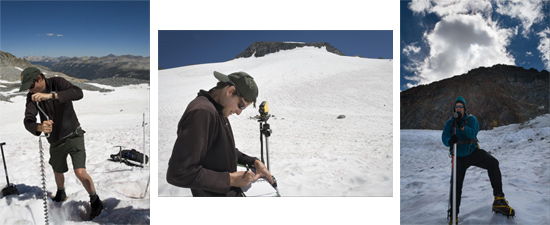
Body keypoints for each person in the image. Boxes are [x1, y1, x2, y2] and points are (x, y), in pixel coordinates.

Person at [166, 71, 273, 197]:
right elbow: (179, 172)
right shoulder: (203, 112)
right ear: (230, 91)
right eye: (241, 105)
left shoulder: (218, 109)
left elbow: (222, 149)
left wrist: (254, 161)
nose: (239, 112)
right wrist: (230, 179)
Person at [20, 67, 103, 220]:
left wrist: (50, 96)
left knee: (79, 172)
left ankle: (95, 199)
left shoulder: (58, 82)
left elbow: (78, 93)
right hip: (55, 141)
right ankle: (61, 192)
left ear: (39, 78)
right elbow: (28, 120)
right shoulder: (31, 97)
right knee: (57, 169)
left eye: (31, 86)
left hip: (74, 135)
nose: (30, 90)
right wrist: (39, 127)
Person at [442, 96, 515, 223]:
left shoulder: (471, 120)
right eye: (456, 106)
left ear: (465, 108)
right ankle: (453, 215)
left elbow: (472, 134)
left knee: (493, 163)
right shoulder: (450, 123)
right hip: (458, 156)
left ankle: (499, 200)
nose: (458, 108)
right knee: (456, 185)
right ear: (454, 108)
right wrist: (450, 141)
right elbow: (445, 138)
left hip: (472, 152)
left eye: (461, 106)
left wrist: (462, 126)